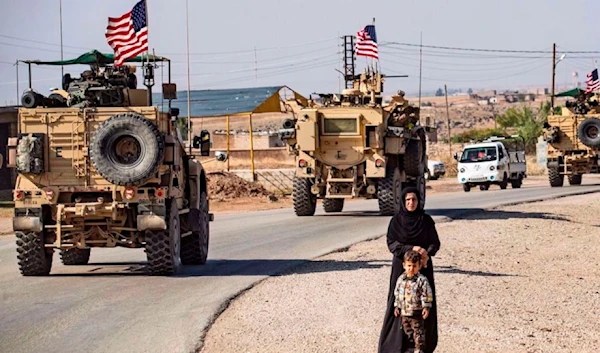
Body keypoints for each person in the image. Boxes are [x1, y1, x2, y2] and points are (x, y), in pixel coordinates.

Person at [378, 186, 441, 353]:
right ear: (403, 202)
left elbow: (435, 243)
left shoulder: (426, 220)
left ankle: (421, 345)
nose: (411, 203)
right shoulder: (396, 221)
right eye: (407, 200)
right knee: (398, 301)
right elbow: (392, 244)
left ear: (419, 201)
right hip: (401, 267)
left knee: (423, 301)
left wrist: (425, 253)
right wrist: (411, 249)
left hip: (423, 268)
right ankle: (396, 344)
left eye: (414, 199)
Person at [393, 250, 434, 353]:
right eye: (409, 266)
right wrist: (397, 306)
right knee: (407, 330)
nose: (411, 268)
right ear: (404, 265)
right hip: (404, 311)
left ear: (419, 266)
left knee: (418, 331)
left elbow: (426, 294)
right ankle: (411, 346)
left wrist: (426, 307)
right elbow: (397, 293)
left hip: (416, 311)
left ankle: (419, 348)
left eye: (414, 266)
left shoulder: (421, 280)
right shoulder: (401, 280)